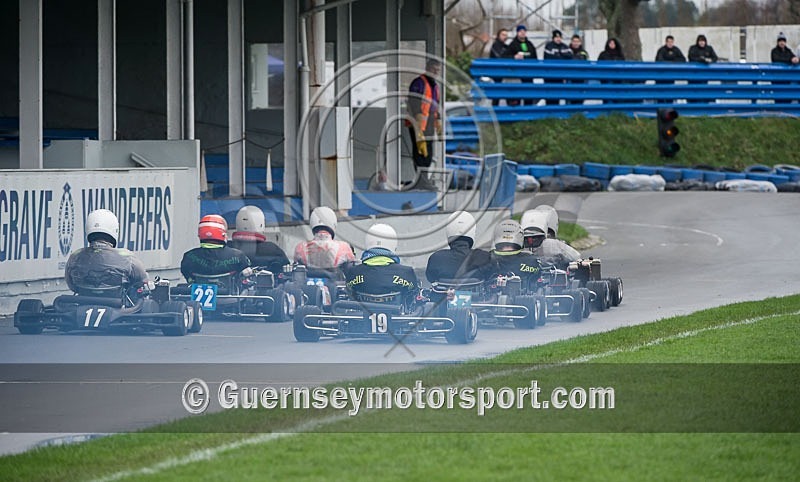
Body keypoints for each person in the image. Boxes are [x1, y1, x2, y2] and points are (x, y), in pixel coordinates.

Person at [64, 209, 149, 296]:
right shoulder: (127, 257)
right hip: (118, 306)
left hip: (83, 305)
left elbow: (72, 286)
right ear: (114, 229)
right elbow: (143, 282)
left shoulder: (75, 256)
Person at [345, 223, 419, 303]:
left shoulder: (353, 272)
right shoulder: (406, 273)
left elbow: (350, 294)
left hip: (362, 314)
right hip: (397, 314)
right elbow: (414, 297)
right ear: (393, 244)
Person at [425, 211, 494, 283]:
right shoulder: (484, 257)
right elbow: (490, 277)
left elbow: (431, 279)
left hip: (444, 293)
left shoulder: (436, 258)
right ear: (472, 231)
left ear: (449, 231)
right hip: (477, 293)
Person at [181, 214, 251, 284]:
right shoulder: (238, 255)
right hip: (229, 294)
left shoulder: (189, 256)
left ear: (200, 234)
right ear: (223, 234)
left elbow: (188, 276)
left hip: (197, 293)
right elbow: (246, 274)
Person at [406, 59, 442, 190]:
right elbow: (413, 102)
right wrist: (418, 121)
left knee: (428, 153)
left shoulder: (435, 86)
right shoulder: (419, 83)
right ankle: (421, 181)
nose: (436, 72)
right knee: (420, 152)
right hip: (417, 123)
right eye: (434, 69)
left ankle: (424, 179)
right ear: (428, 68)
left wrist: (438, 121)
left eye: (438, 70)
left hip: (429, 124)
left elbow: (436, 105)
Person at [228, 205, 289, 274]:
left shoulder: (228, 248)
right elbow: (287, 273)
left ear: (237, 224)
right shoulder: (273, 250)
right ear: (261, 224)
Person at [491, 219, 541, 290]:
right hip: (525, 299)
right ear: (519, 236)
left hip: (491, 298)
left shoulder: (487, 259)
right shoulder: (531, 260)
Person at [504, 25, 538, 106]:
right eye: (520, 32)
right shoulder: (513, 44)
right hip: (516, 74)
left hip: (528, 74)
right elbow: (505, 56)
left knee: (528, 95)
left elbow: (535, 57)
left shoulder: (530, 44)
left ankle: (528, 113)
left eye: (524, 32)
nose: (522, 33)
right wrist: (514, 57)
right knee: (516, 96)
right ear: (517, 33)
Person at [543, 30, 573, 105]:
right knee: (550, 96)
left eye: (559, 37)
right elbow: (549, 58)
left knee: (558, 95)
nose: (558, 39)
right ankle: (549, 113)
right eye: (556, 37)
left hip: (560, 75)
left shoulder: (564, 46)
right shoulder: (549, 46)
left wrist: (559, 55)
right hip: (549, 75)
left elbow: (570, 56)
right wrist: (561, 56)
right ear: (553, 38)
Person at [688, 34, 719, 104]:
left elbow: (715, 58)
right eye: (700, 41)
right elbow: (691, 57)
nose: (702, 43)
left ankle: (704, 104)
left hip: (705, 74)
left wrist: (710, 60)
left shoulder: (709, 48)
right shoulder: (693, 48)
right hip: (694, 74)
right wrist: (701, 60)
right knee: (694, 89)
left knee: (704, 89)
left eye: (703, 41)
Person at [655, 35, 686, 104]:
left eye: (671, 42)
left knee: (670, 91)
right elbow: (659, 60)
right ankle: (660, 106)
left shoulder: (676, 50)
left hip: (671, 75)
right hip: (661, 75)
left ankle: (669, 106)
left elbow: (683, 59)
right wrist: (669, 62)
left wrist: (674, 62)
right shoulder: (662, 50)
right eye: (668, 42)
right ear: (666, 42)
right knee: (661, 92)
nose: (670, 43)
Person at [771, 32, 799, 105]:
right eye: (780, 41)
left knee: (787, 95)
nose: (782, 43)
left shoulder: (788, 51)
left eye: (783, 41)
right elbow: (777, 59)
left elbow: (793, 57)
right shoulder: (774, 51)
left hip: (786, 77)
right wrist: (790, 60)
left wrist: (795, 59)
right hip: (777, 77)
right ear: (777, 42)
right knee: (778, 95)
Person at [598, 38, 625, 104]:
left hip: (617, 78)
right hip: (605, 78)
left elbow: (623, 64)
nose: (612, 45)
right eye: (610, 43)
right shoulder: (603, 54)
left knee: (616, 95)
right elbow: (599, 64)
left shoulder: (620, 54)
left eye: (613, 43)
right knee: (606, 95)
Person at [489, 28, 509, 107]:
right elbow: (499, 57)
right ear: (498, 35)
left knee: (506, 93)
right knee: (496, 94)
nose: (505, 37)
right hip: (496, 72)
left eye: (506, 35)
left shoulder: (506, 46)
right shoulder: (496, 45)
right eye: (503, 35)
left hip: (504, 73)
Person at [568, 34, 589, 105]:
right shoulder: (567, 51)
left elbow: (587, 64)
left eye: (577, 41)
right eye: (574, 41)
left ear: (580, 42)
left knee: (580, 97)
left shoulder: (584, 53)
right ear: (571, 42)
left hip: (581, 78)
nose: (575, 43)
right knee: (571, 97)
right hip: (570, 78)